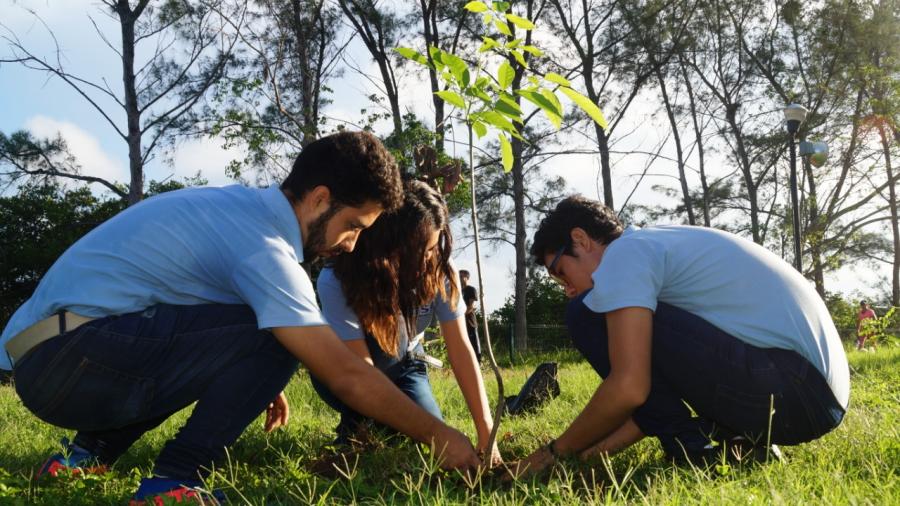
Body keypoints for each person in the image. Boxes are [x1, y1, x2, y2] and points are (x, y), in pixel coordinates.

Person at [1, 132, 479, 504]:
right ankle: (175, 479)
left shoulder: (241, 211)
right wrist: (442, 437)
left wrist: (251, 380)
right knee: (278, 336)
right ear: (319, 199)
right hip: (72, 359)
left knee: (269, 328)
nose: (352, 243)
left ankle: (85, 457)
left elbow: (195, 314)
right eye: (352, 225)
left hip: (51, 356)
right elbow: (347, 375)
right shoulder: (265, 248)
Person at [512, 195, 849, 476]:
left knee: (584, 312)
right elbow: (657, 401)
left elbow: (631, 387)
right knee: (608, 320)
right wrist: (588, 456)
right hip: (812, 402)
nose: (567, 288)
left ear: (580, 239)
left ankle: (692, 451)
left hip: (790, 388)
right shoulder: (655, 245)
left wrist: (554, 453)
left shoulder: (623, 257)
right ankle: (737, 443)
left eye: (560, 273)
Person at [312, 180, 501, 465]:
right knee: (409, 430)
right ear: (390, 246)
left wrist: (486, 432)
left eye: (433, 250)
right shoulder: (338, 280)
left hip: (405, 366)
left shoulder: (439, 272)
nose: (429, 262)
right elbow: (360, 374)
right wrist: (437, 435)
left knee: (423, 428)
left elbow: (461, 350)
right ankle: (357, 424)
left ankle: (380, 422)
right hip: (350, 370)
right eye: (421, 252)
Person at [459, 269, 482, 362]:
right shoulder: (458, 291)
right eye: (458, 276)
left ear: (467, 277)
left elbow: (471, 307)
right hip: (460, 322)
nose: (459, 278)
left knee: (474, 344)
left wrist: (460, 316)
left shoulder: (471, 289)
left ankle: (478, 362)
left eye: (461, 276)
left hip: (470, 322)